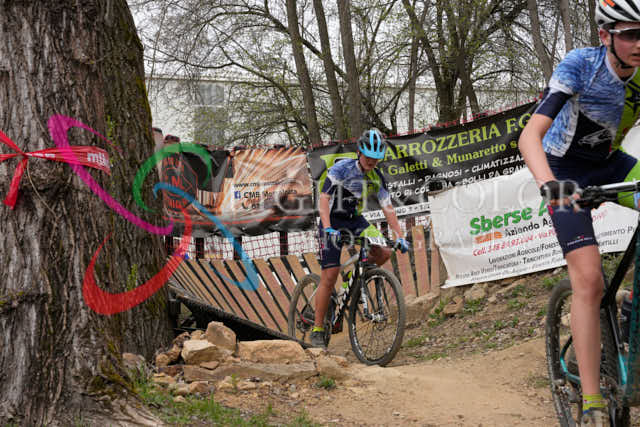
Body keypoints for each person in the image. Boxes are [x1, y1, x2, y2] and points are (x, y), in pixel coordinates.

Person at [518, 2, 640, 425]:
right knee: (588, 280)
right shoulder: (581, 66)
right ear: (605, 36)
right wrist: (549, 184)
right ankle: (591, 401)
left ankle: (631, 309)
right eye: (630, 34)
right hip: (564, 171)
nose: (639, 43)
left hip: (609, 163)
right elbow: (530, 135)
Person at [311, 128, 409, 348]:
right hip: (332, 220)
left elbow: (388, 207)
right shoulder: (341, 169)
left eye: (376, 158)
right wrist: (327, 228)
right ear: (359, 152)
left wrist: (400, 236)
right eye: (368, 157)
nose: (372, 161)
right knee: (330, 275)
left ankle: (355, 277)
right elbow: (324, 199)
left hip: (355, 220)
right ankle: (317, 329)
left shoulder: (376, 176)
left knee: (384, 251)